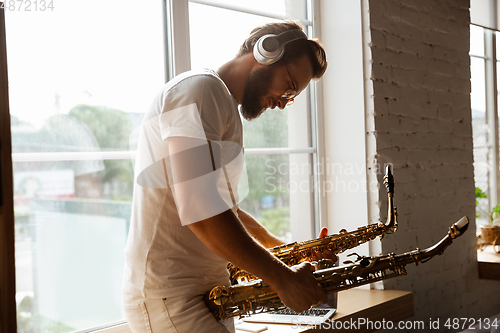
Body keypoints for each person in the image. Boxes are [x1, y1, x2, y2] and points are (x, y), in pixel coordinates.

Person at [122, 20, 329, 333]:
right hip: (171, 297)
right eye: (287, 85)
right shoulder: (200, 91)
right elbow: (200, 209)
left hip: (200, 294)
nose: (283, 102)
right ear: (267, 51)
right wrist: (282, 278)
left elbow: (217, 203)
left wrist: (278, 246)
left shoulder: (220, 102)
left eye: (292, 96)